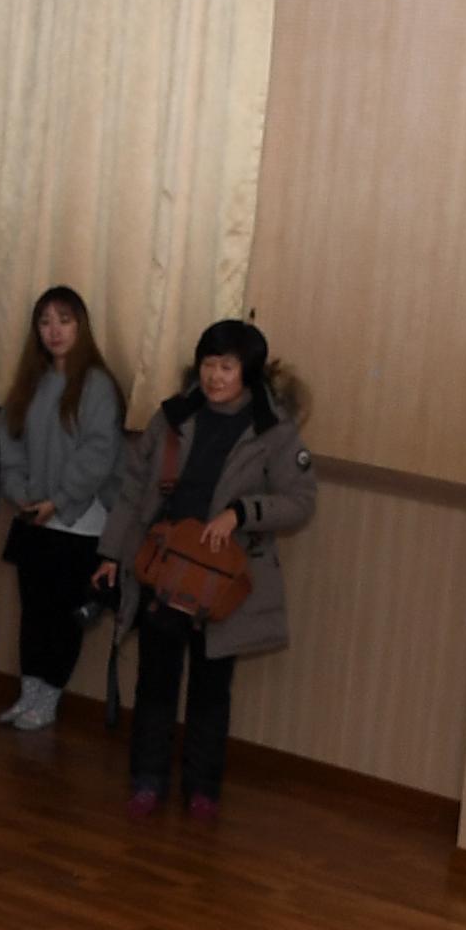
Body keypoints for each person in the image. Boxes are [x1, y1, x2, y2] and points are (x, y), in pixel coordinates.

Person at [93, 318, 315, 818]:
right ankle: (147, 781)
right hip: (165, 570)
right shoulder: (172, 417)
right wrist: (111, 554)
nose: (215, 376)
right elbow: (133, 491)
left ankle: (203, 789)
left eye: (228, 366)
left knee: (212, 689)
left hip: (227, 583)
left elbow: (300, 502)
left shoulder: (274, 430)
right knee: (155, 682)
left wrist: (241, 513)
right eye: (209, 364)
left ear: (249, 372)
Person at [0, 287, 124, 732]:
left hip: (79, 522)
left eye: (64, 320)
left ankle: (48, 699)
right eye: (45, 321)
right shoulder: (29, 381)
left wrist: (59, 500)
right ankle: (28, 694)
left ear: (81, 326)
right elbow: (8, 444)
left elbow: (98, 455)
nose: (54, 330)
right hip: (34, 517)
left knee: (62, 617)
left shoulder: (97, 385)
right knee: (33, 612)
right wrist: (22, 493)